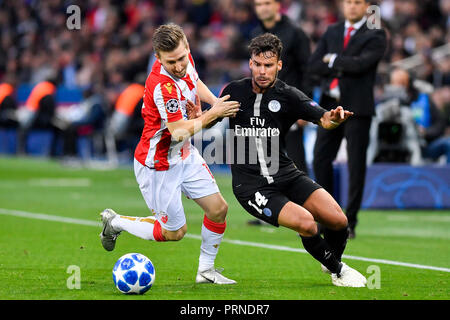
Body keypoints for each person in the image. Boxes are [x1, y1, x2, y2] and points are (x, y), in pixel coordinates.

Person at [219, 33, 367, 287]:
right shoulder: (234, 91)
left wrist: (335, 117)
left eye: (269, 65)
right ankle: (339, 271)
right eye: (258, 64)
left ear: (279, 65)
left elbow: (324, 119)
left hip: (286, 174)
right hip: (251, 185)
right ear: (250, 63)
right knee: (308, 224)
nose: (262, 71)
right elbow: (209, 117)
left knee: (339, 221)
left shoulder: (288, 95)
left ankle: (328, 258)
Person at [99, 23, 240, 285]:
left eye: (181, 58)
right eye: (171, 62)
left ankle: (206, 271)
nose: (178, 66)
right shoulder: (162, 86)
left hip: (184, 155)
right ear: (158, 58)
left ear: (187, 47)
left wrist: (214, 102)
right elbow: (177, 131)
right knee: (174, 232)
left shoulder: (185, 60)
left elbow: (194, 80)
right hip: (158, 163)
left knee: (218, 209)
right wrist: (213, 114)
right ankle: (115, 222)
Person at [308, 0, 387, 239]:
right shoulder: (332, 31)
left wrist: (331, 61)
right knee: (321, 158)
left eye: (358, 2)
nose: (352, 7)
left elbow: (363, 64)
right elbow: (313, 65)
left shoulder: (376, 33)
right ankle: (328, 215)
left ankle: (349, 220)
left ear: (366, 6)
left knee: (356, 164)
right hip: (330, 108)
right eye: (349, 2)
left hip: (358, 108)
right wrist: (344, 65)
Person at [248, 0, 312, 226]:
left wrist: (305, 107)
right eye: (258, 4)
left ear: (277, 5)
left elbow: (308, 70)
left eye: (267, 3)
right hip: (263, 106)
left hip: (289, 106)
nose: (263, 7)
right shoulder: (256, 33)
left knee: (295, 159)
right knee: (265, 159)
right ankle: (267, 209)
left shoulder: (295, 33)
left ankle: (306, 212)